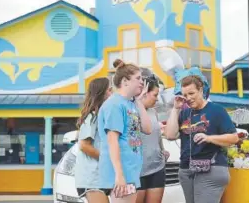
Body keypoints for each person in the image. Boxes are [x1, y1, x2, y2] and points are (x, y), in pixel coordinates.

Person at [165, 70, 239, 203]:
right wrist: (175, 109)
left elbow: (234, 138)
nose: (188, 98)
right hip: (187, 169)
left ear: (201, 90)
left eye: (192, 93)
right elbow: (170, 135)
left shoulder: (216, 110)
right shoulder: (184, 113)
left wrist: (209, 138)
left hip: (211, 167)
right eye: (185, 95)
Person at [98, 59, 152, 203]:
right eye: (138, 78)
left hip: (130, 171)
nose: (142, 82)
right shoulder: (114, 104)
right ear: (125, 81)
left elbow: (147, 129)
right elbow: (112, 140)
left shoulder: (131, 104)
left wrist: (139, 101)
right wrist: (119, 175)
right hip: (120, 174)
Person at [75, 77, 113, 203]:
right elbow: (84, 146)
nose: (112, 93)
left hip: (102, 176)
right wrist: (108, 159)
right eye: (109, 90)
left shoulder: (104, 116)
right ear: (101, 93)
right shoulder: (92, 117)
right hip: (91, 178)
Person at [136, 74, 170, 203]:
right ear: (144, 93)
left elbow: (156, 135)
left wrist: (162, 150)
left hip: (157, 168)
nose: (157, 99)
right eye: (155, 95)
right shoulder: (129, 111)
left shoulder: (153, 112)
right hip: (137, 171)